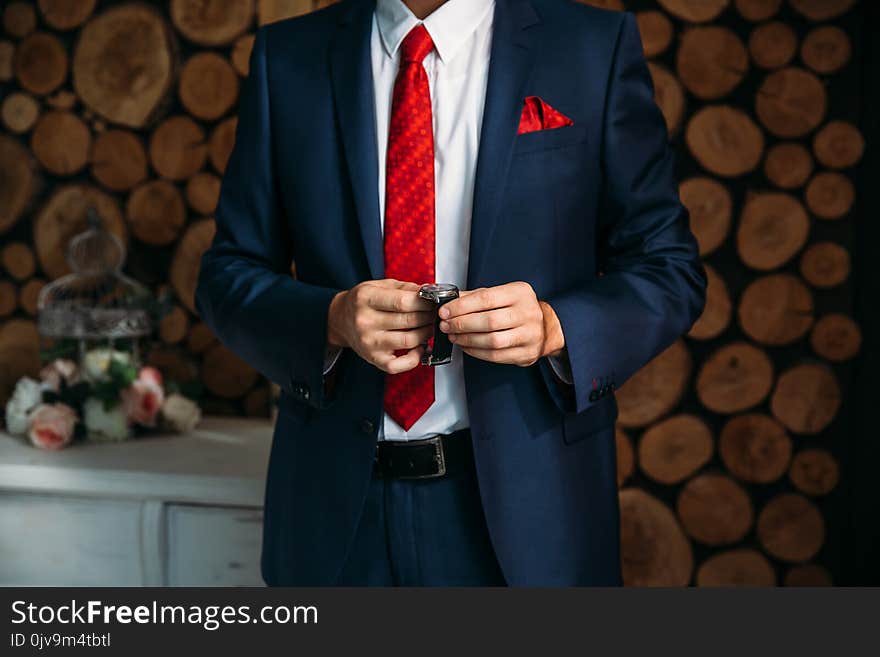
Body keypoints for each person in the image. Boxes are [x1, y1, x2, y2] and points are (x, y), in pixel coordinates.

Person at [195, 0, 706, 586]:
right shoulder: (288, 57)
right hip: (334, 515)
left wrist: (554, 326)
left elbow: (669, 268)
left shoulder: (592, 46)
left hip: (530, 514)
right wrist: (331, 319)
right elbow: (226, 276)